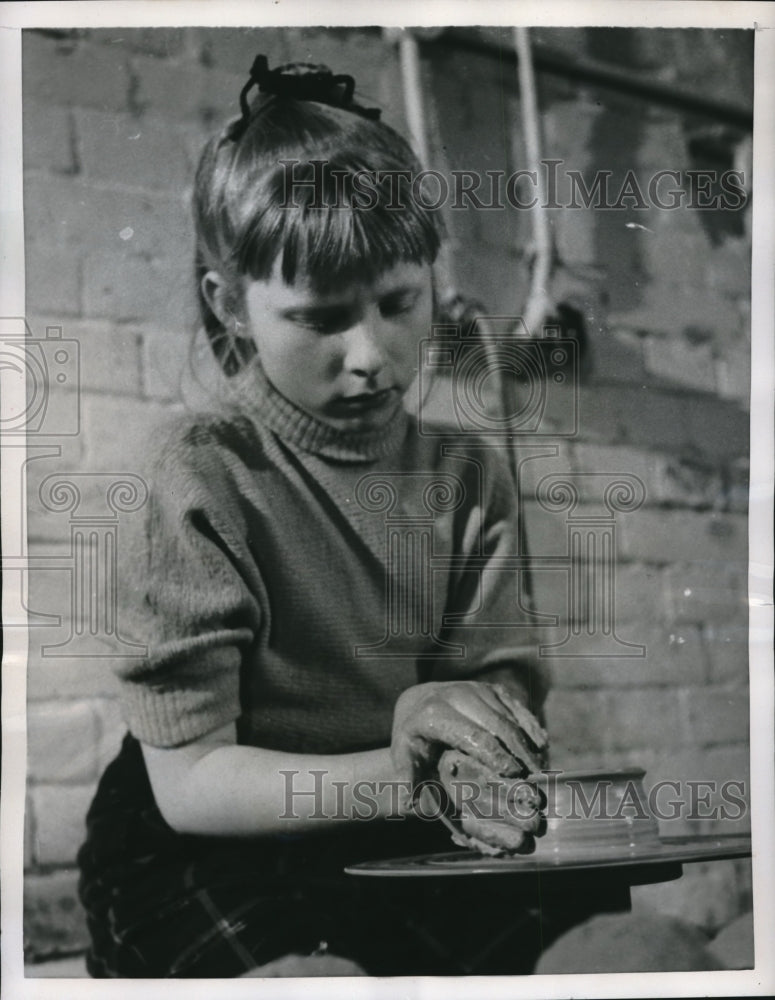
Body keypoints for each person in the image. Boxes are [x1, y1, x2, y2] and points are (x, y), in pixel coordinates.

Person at [77, 55, 550, 978]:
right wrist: (401, 769)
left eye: (397, 303)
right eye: (321, 317)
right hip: (209, 836)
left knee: (585, 944)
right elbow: (192, 785)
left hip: (397, 814)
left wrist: (474, 753)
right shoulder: (196, 476)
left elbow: (498, 687)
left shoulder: (467, 475)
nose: (371, 353)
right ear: (233, 308)